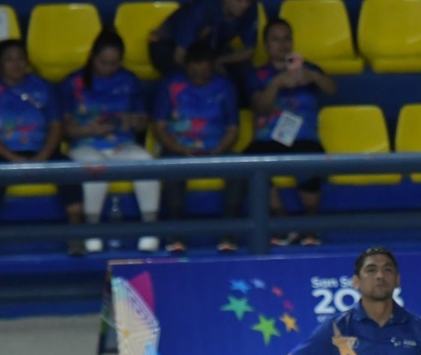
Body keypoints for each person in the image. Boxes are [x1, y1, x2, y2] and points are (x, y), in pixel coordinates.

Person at [279, 247, 421, 355]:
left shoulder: (419, 328)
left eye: (387, 270)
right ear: (356, 282)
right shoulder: (336, 328)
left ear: (397, 280)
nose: (380, 275)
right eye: (371, 270)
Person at [61, 31, 160, 253]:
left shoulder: (129, 80)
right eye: (103, 62)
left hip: (122, 145)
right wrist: (88, 129)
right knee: (95, 168)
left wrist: (132, 121)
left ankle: (150, 228)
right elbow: (65, 128)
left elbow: (143, 122)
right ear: (92, 56)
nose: (108, 68)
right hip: (85, 146)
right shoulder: (73, 82)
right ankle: (92, 230)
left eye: (114, 63)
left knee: (147, 163)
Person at [246, 18, 336, 247]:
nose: (282, 44)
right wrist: (276, 83)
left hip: (303, 137)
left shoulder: (308, 69)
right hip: (269, 137)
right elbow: (260, 107)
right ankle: (282, 222)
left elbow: (332, 90)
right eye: (275, 40)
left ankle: (310, 225)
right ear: (266, 44)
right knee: (251, 160)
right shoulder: (258, 75)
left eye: (287, 39)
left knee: (309, 158)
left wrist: (313, 76)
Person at [153, 41, 241, 254]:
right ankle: (176, 236)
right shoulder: (171, 85)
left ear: (212, 67)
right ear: (186, 67)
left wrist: (218, 151)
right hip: (178, 148)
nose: (199, 78)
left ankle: (228, 235)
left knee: (239, 172)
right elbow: (160, 126)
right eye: (194, 73)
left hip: (217, 149)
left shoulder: (225, 86)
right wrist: (178, 149)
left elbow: (233, 128)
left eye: (205, 73)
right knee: (171, 168)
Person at [0, 40, 86, 256]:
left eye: (20, 58)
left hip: (42, 150)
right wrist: (12, 158)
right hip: (5, 153)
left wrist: (44, 155)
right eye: (9, 59)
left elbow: (56, 125)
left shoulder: (42, 87)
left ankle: (76, 235)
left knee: (69, 169)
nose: (16, 64)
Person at [148, 0, 257, 85]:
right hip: (167, 45)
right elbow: (179, 57)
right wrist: (208, 70)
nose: (244, 5)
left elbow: (249, 51)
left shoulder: (250, 8)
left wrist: (219, 61)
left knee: (244, 72)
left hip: (206, 45)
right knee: (195, 78)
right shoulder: (200, 10)